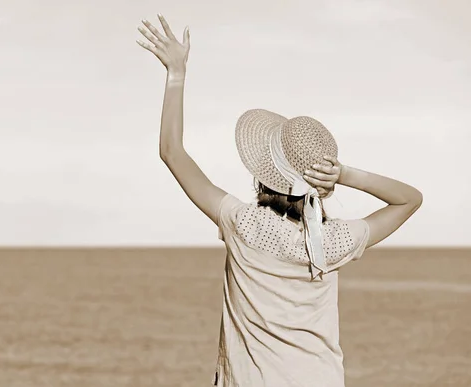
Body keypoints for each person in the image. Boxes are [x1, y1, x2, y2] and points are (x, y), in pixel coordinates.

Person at [137, 15, 423, 387]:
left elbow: (172, 152)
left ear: (262, 174)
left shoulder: (243, 225)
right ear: (321, 185)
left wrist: (176, 72)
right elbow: (409, 200)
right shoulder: (333, 242)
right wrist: (346, 174)